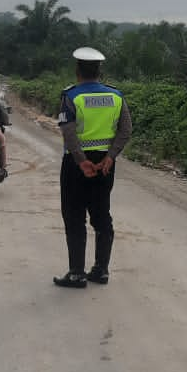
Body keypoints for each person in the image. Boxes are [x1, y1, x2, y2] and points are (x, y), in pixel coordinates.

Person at [53, 47, 133, 288]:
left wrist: (80, 161)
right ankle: (101, 270)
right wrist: (110, 157)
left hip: (77, 166)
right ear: (99, 71)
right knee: (101, 215)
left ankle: (77, 273)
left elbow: (68, 132)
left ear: (77, 71)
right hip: (105, 166)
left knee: (74, 216)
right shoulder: (116, 97)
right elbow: (126, 130)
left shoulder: (71, 96)